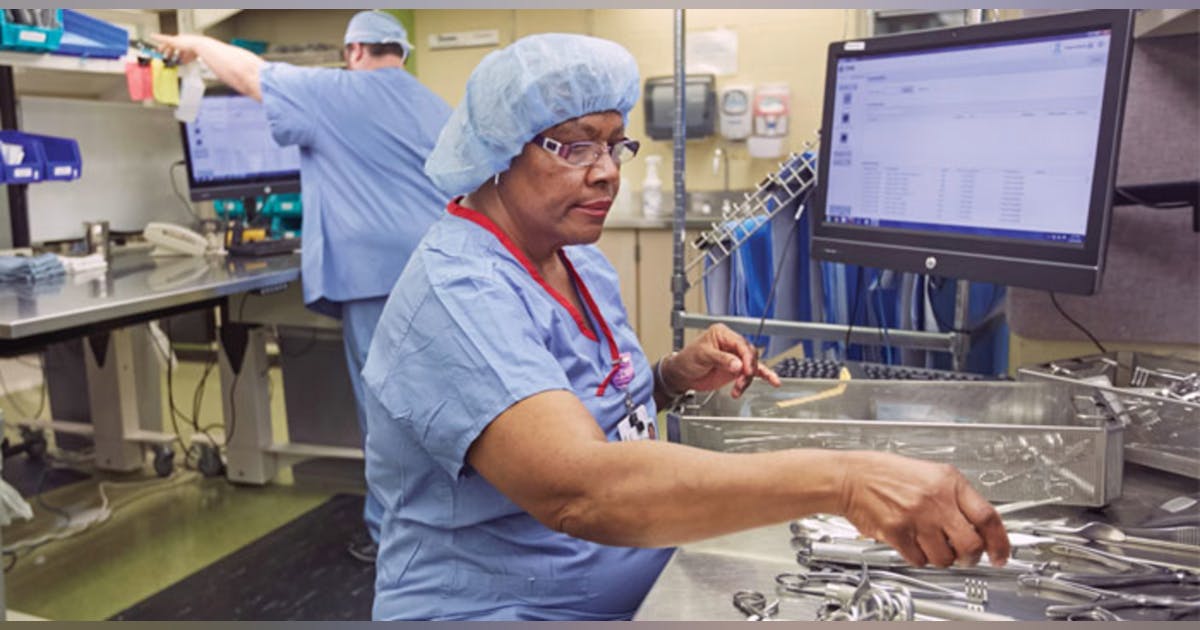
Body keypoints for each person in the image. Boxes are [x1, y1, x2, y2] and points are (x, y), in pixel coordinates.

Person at [361, 33, 1011, 620]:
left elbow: (572, 407)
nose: (607, 171)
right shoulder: (459, 294)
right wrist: (845, 481)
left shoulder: (575, 258)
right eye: (577, 146)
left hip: (636, 582)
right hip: (507, 609)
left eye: (615, 145)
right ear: (501, 148)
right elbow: (579, 492)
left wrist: (669, 379)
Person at [153, 10, 452, 562]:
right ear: (401, 53)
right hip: (443, 274)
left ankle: (398, 546)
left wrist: (196, 42)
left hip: (378, 281)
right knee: (433, 408)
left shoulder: (334, 91)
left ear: (353, 51)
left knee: (387, 416)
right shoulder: (433, 104)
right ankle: (446, 532)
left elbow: (249, 73)